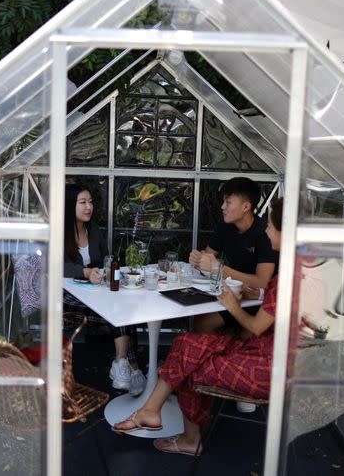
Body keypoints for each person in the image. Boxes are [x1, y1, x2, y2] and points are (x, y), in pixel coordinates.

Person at [112, 197, 287, 455]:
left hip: (267, 362)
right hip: (266, 347)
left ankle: (188, 439)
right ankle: (151, 411)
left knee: (189, 364)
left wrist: (232, 304)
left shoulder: (292, 279)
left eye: (271, 226)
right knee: (185, 343)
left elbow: (256, 326)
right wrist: (246, 296)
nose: (266, 230)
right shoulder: (295, 269)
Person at [62, 184, 146, 395]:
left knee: (124, 307)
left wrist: (105, 271)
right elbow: (56, 265)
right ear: (70, 205)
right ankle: (132, 368)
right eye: (82, 202)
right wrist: (85, 272)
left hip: (94, 290)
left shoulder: (94, 230)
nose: (88, 207)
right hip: (67, 295)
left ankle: (121, 364)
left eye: (90, 202)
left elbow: (105, 258)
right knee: (119, 312)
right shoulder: (59, 232)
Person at [189, 177, 276, 334]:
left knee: (244, 334)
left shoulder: (265, 233)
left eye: (228, 202)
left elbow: (262, 282)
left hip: (259, 301)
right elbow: (209, 258)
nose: (222, 207)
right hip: (231, 293)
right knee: (201, 321)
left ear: (246, 206)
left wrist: (219, 269)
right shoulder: (225, 226)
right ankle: (213, 356)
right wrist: (198, 260)